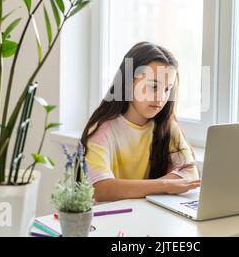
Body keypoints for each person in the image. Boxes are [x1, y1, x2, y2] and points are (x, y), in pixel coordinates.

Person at [81, 42, 201, 202]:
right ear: (129, 83)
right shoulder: (102, 131)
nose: (161, 98)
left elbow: (190, 174)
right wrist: (164, 185)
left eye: (167, 89)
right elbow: (100, 188)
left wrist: (154, 186)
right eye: (153, 86)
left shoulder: (166, 126)